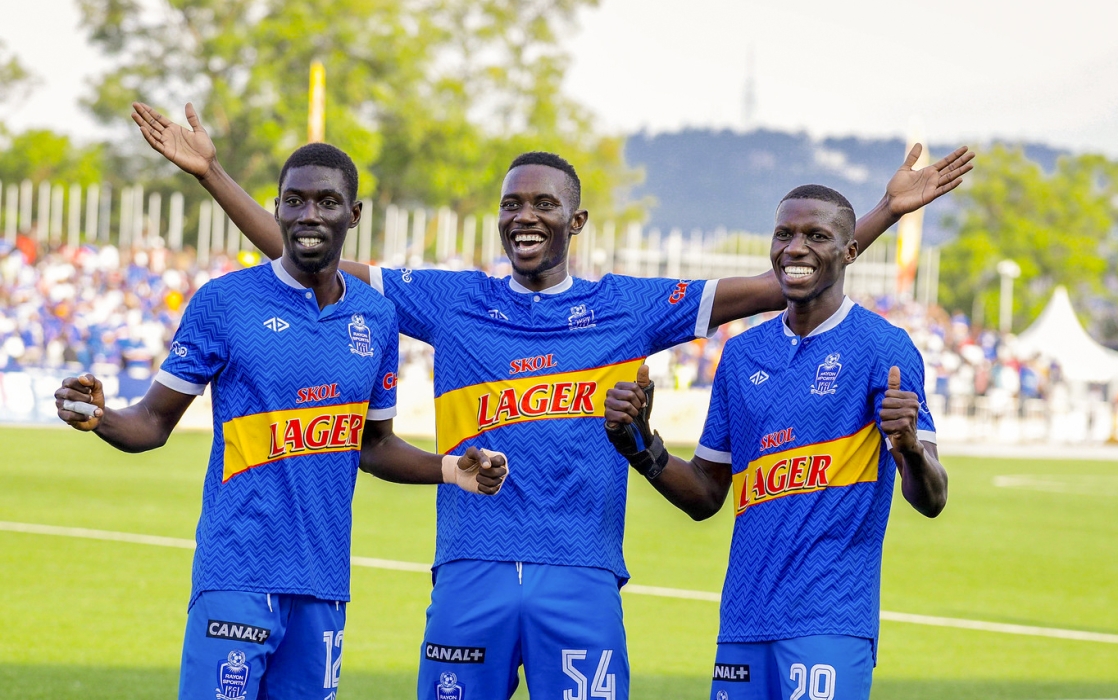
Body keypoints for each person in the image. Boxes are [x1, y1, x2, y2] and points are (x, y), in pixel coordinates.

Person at [130, 101, 969, 700]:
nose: (524, 218)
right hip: (470, 572)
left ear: (578, 221)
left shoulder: (632, 307)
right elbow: (310, 249)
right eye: (511, 206)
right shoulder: (447, 300)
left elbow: (789, 273)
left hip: (582, 576)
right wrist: (213, 176)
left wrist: (884, 213)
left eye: (543, 206)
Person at [54, 142, 507, 700]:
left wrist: (449, 469)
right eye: (294, 201)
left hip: (323, 584)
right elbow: (151, 421)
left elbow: (373, 444)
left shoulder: (376, 317)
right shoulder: (224, 302)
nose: (309, 215)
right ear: (277, 210)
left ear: (354, 214)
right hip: (236, 573)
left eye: (326, 201)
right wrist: (101, 416)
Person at [604, 184, 948, 700]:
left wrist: (909, 448)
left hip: (829, 620)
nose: (795, 247)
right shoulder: (741, 355)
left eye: (816, 235)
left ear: (850, 251)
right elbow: (704, 494)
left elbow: (932, 498)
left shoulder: (884, 347)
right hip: (743, 621)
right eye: (784, 234)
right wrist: (640, 444)